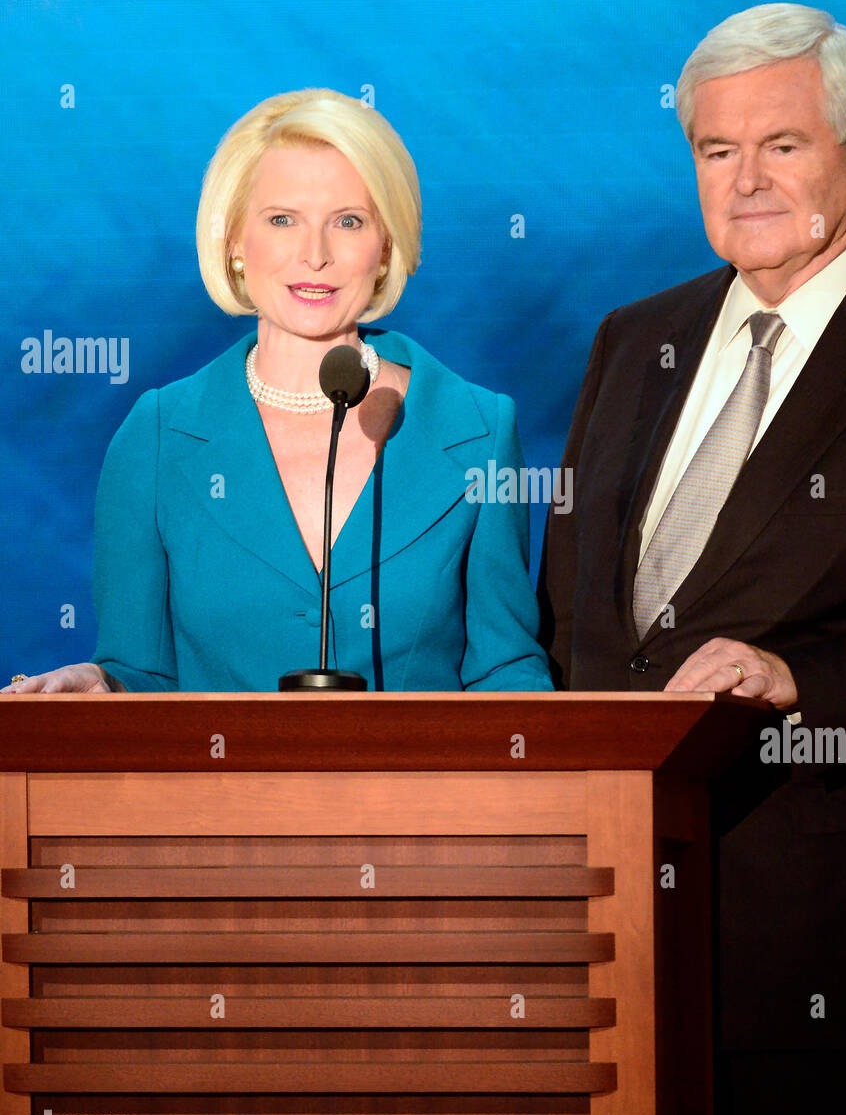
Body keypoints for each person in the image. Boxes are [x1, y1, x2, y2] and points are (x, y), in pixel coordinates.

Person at [538, 3, 846, 1115]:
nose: (746, 178)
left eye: (783, 144)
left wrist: (798, 674)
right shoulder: (634, 339)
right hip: (617, 926)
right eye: (719, 150)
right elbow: (577, 611)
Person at [5, 89, 552, 694]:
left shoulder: (477, 430)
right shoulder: (157, 436)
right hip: (220, 789)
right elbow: (142, 671)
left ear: (386, 245)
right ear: (236, 240)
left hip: (421, 788)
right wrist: (105, 684)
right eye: (282, 220)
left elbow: (506, 669)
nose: (315, 255)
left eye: (348, 221)